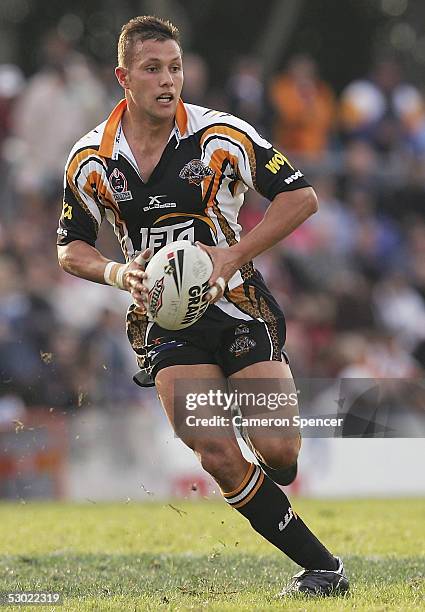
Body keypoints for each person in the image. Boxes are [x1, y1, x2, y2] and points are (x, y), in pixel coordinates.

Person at [57, 15, 349, 597]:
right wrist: (118, 272)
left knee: (278, 451)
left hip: (235, 303)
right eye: (152, 69)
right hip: (162, 321)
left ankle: (276, 473)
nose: (168, 81)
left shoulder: (222, 136)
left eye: (175, 67)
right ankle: (323, 569)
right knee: (215, 450)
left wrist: (230, 255)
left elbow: (302, 197)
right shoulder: (91, 158)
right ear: (123, 77)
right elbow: (70, 247)